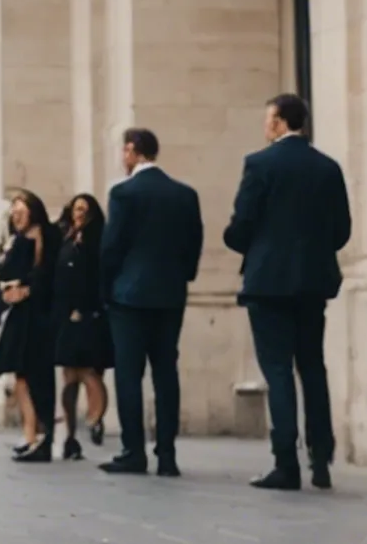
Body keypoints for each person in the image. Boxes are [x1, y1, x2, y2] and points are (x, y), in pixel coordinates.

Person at [225, 94, 353, 492]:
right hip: (313, 282)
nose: (265, 127)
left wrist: (244, 241)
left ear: (280, 122)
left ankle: (285, 461)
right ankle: (321, 455)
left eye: (268, 120)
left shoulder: (259, 164)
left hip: (268, 283)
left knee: (277, 369)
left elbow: (241, 223)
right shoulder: (328, 167)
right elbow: (342, 230)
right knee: (312, 366)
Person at [98, 129, 201, 478]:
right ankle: (167, 454)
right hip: (170, 294)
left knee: (129, 375)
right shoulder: (185, 194)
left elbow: (112, 247)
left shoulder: (124, 193)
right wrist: (181, 277)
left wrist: (107, 287)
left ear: (132, 151)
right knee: (165, 373)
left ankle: (133, 451)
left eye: (123, 151)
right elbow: (193, 244)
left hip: (129, 296)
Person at [0, 191, 54, 463]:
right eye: (13, 212)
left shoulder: (43, 235)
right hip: (20, 316)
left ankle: (40, 435)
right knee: (20, 377)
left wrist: (26, 290)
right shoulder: (16, 239)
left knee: (33, 377)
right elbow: (6, 273)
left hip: (35, 316)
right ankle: (30, 434)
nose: (16, 215)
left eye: (20, 210)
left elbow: (46, 274)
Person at [51, 194, 109, 461]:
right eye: (76, 209)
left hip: (90, 314)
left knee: (88, 372)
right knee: (69, 377)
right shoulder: (65, 237)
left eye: (85, 209)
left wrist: (86, 308)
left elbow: (97, 277)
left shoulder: (97, 240)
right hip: (65, 316)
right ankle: (70, 437)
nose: (79, 214)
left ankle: (95, 419)